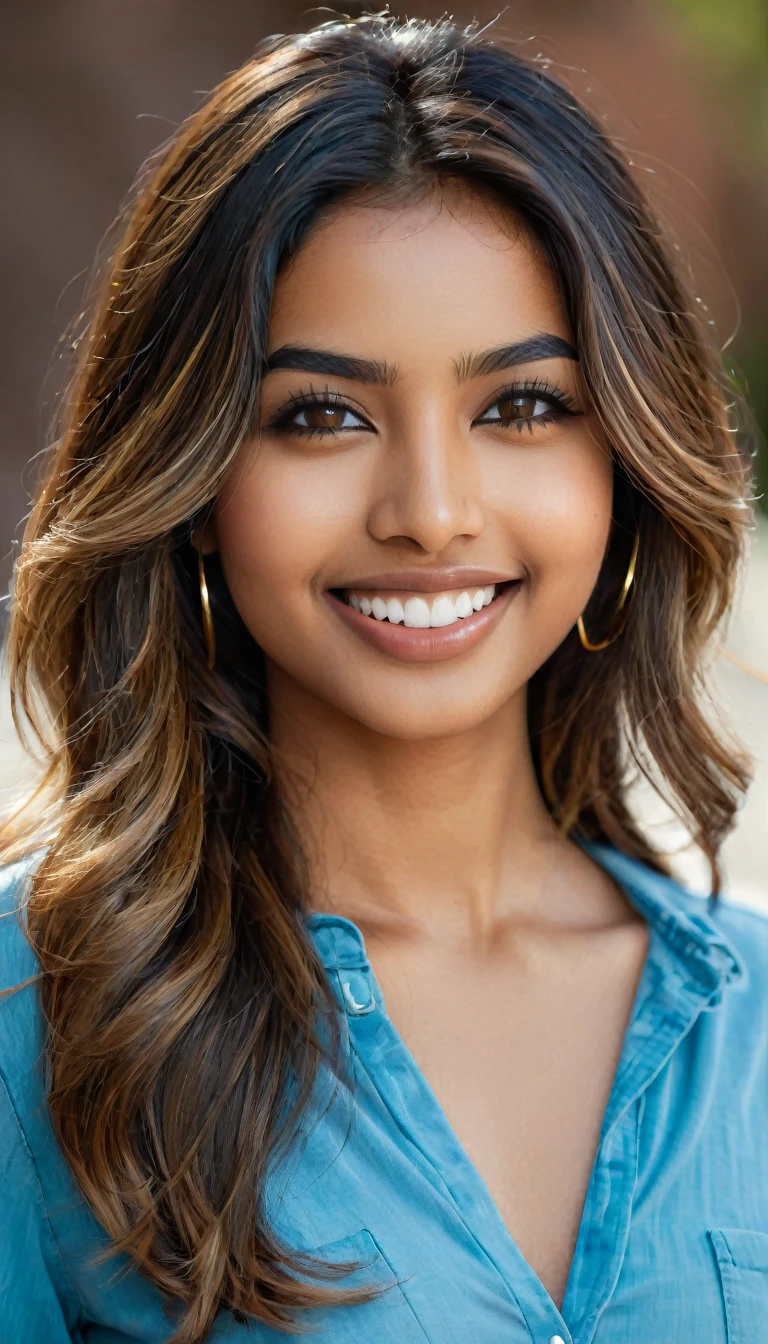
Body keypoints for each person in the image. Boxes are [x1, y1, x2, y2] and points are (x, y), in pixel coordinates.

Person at [0, 15, 765, 1344]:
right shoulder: (35, 1018)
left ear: (625, 457)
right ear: (193, 485)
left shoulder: (750, 1023)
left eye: (521, 405)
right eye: (320, 415)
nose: (430, 511)